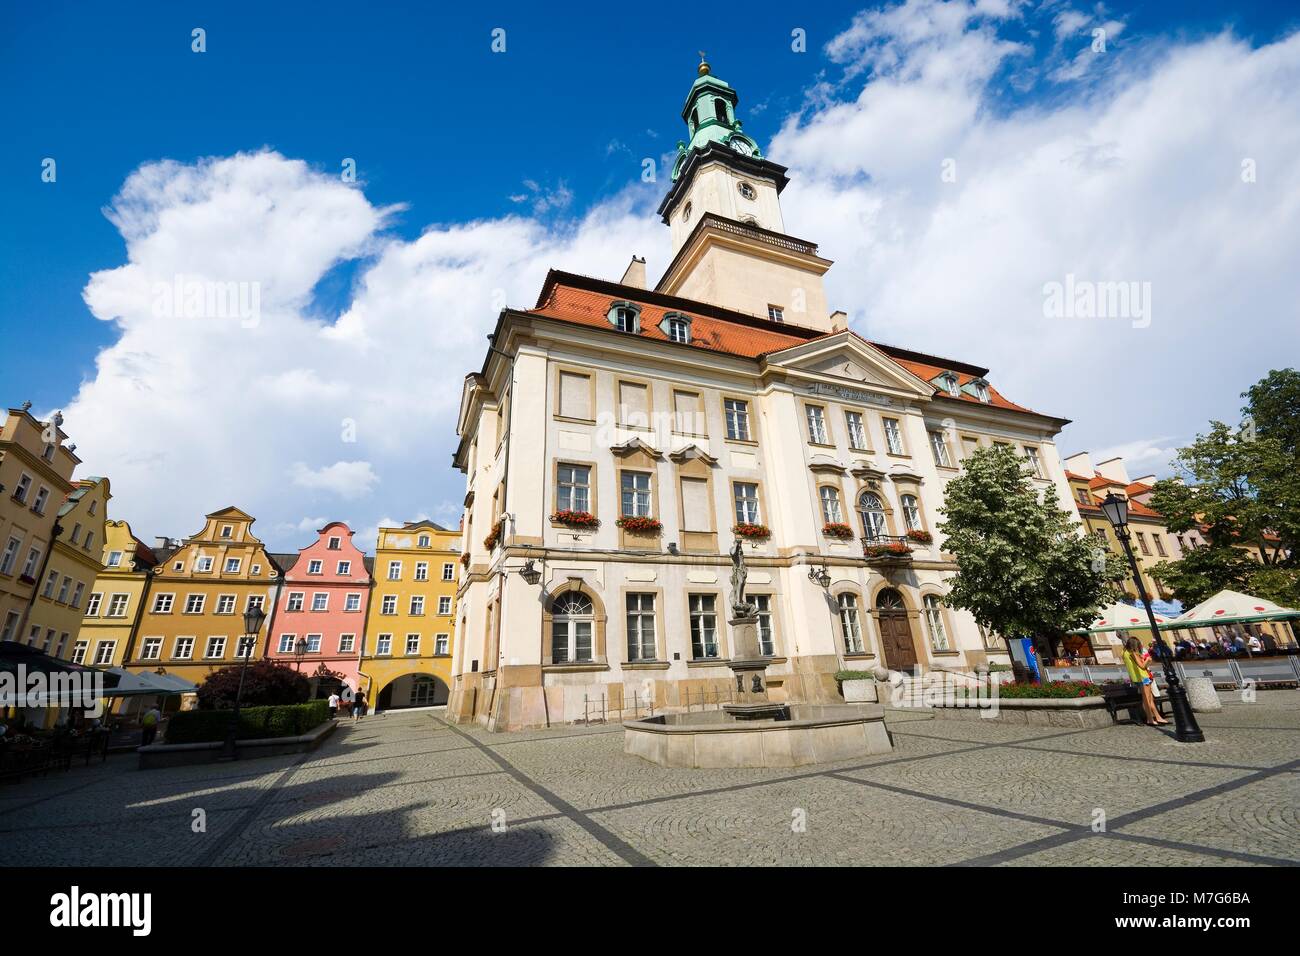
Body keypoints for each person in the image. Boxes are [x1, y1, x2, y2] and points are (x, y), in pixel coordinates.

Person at [1122, 637, 1167, 728]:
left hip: (1137, 677)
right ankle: (1150, 718)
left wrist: (1143, 659)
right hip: (1143, 677)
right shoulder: (1133, 653)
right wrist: (1148, 660)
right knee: (1147, 698)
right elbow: (1142, 666)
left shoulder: (1124, 652)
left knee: (1148, 698)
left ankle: (1157, 717)